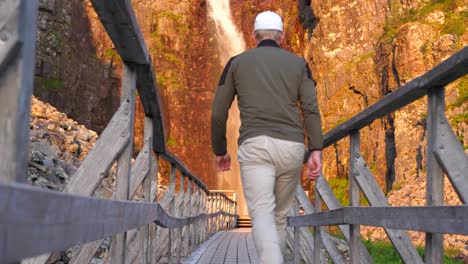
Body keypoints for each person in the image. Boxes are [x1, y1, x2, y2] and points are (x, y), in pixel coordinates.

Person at [211, 10, 323, 264]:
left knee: (261, 211)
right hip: (293, 148)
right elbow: (310, 109)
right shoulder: (299, 65)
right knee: (279, 217)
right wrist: (315, 149)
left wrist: (220, 150)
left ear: (253, 36)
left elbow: (218, 113)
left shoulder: (237, 63)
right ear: (282, 37)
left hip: (256, 146)